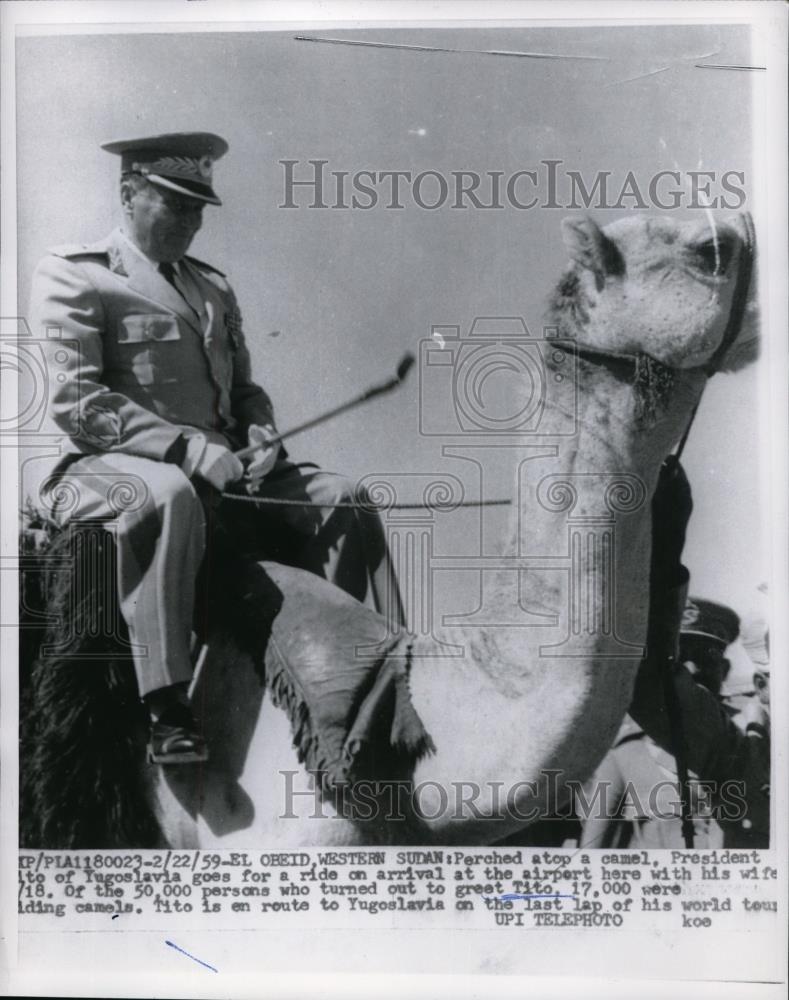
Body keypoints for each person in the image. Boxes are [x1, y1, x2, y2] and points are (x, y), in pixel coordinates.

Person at [30, 132, 405, 765]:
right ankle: (168, 708)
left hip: (227, 467)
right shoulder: (76, 273)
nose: (191, 223)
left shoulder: (213, 289)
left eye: (199, 210)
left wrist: (259, 437)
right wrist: (184, 449)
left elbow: (246, 391)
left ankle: (359, 675)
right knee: (170, 495)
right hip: (114, 468)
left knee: (345, 499)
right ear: (129, 193)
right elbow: (77, 405)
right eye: (176, 206)